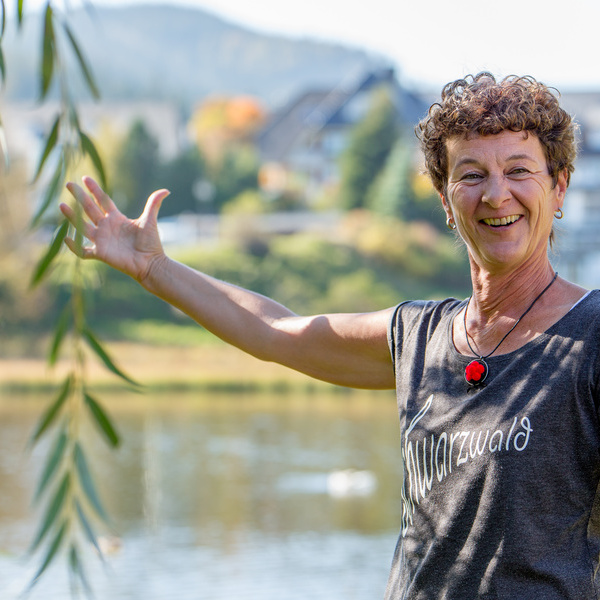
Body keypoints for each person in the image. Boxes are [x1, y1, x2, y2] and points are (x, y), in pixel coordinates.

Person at [60, 72, 600, 599]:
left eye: (519, 170)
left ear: (558, 187)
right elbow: (275, 330)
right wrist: (155, 269)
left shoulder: (591, 334)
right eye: (472, 174)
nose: (496, 194)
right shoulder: (421, 338)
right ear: (445, 199)